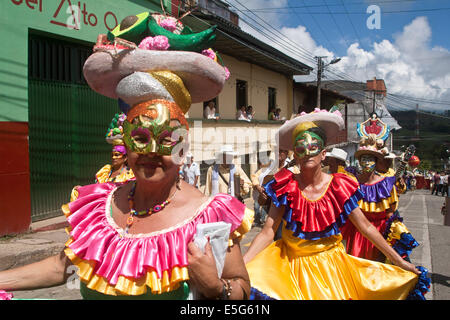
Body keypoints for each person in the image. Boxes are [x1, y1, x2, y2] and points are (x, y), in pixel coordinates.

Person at [0, 14, 253, 300]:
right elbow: (64, 266)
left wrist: (217, 288)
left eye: (167, 141)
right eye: (141, 139)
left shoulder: (208, 216)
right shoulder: (99, 208)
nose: (151, 152)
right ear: (126, 142)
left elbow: (241, 289)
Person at [243, 108, 429, 300]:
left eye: (313, 147)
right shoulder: (286, 186)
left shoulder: (338, 186)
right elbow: (267, 232)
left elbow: (365, 227)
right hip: (290, 267)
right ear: (296, 156)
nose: (307, 153)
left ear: (323, 154)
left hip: (331, 270)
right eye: (300, 149)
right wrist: (241, 265)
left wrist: (399, 261)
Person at [341, 119, 418, 263]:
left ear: (376, 162)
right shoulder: (351, 182)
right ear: (359, 161)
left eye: (370, 159)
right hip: (356, 234)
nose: (366, 162)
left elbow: (390, 215)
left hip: (379, 235)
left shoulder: (386, 184)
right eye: (363, 159)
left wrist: (392, 238)